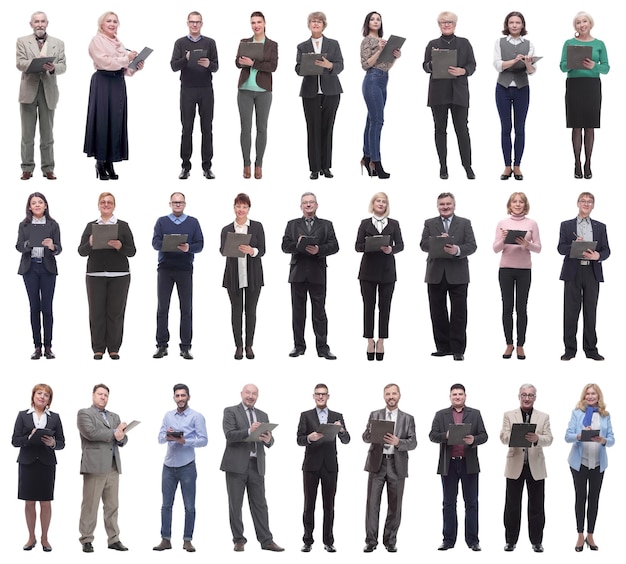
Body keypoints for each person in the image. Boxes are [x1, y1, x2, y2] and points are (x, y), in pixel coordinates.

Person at [220, 384, 284, 552]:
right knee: (236, 504)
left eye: (254, 394)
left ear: (257, 396)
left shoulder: (263, 415)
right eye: (248, 393)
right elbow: (229, 435)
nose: (250, 396)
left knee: (260, 504)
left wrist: (268, 439)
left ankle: (266, 540)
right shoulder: (230, 411)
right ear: (241, 394)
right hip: (236, 465)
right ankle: (239, 540)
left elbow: (270, 442)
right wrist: (249, 430)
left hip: (257, 465)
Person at [84, 11, 144, 181]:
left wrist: (136, 64)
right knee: (102, 121)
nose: (112, 24)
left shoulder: (119, 43)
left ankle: (111, 161)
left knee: (116, 122)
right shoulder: (97, 41)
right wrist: (127, 58)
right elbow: (105, 62)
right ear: (101, 24)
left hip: (118, 83)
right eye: (108, 21)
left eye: (115, 21)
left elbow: (126, 70)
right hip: (103, 82)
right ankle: (100, 162)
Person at [78, 192, 136, 360]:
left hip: (120, 274)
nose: (106, 204)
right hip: (95, 274)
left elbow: (132, 251)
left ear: (114, 205)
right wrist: (89, 243)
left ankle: (114, 348)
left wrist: (120, 246)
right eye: (103, 202)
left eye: (109, 202)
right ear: (98, 205)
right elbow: (81, 251)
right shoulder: (91, 226)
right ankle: (98, 348)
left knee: (115, 313)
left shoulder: (123, 226)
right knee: (96, 312)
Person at [429, 383, 488, 551]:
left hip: (468, 463)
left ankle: (473, 540)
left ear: (465, 396)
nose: (457, 397)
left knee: (472, 503)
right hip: (449, 464)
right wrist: (445, 436)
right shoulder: (441, 415)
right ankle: (448, 540)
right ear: (450, 397)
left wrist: (474, 440)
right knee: (448, 503)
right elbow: (432, 436)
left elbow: (484, 435)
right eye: (454, 394)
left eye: (460, 394)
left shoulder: (475, 414)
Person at [282, 192, 339, 359]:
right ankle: (298, 346)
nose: (308, 205)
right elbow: (285, 246)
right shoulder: (292, 224)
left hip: (317, 272)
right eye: (305, 203)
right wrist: (298, 245)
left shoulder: (327, 225)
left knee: (319, 312)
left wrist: (319, 250)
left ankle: (322, 348)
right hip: (298, 273)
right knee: (298, 312)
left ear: (316, 205)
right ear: (301, 206)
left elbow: (335, 246)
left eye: (311, 202)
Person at [420, 192, 477, 361]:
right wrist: (436, 241)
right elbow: (422, 244)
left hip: (458, 273)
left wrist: (457, 250)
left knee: (459, 313)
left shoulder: (464, 223)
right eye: (442, 204)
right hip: (435, 273)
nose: (445, 207)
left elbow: (472, 245)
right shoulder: (430, 223)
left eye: (448, 204)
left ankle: (458, 349)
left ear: (454, 205)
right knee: (437, 312)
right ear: (437, 206)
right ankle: (443, 347)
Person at [153, 384, 208, 553]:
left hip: (187, 466)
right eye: (177, 396)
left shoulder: (196, 416)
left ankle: (187, 540)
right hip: (168, 466)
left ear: (188, 397)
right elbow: (160, 439)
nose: (180, 398)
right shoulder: (168, 416)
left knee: (189, 505)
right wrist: (167, 434)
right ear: (174, 398)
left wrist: (186, 441)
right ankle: (165, 539)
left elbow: (204, 440)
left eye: (183, 395)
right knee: (166, 505)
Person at [362, 383, 416, 553]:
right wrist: (372, 433)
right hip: (377, 464)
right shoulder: (375, 414)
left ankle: (390, 541)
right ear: (384, 396)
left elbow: (413, 442)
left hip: (396, 464)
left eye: (394, 394)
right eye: (388, 394)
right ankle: (371, 541)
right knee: (372, 505)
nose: (391, 397)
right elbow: (365, 437)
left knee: (395, 505)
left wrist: (398, 442)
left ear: (399, 395)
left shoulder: (408, 418)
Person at [297, 383, 350, 553]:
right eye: (318, 394)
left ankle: (328, 541)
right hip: (311, 465)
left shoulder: (337, 415)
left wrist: (341, 430)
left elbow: (347, 439)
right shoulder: (305, 415)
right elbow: (299, 439)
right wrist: (309, 438)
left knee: (329, 505)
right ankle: (307, 540)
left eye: (323, 394)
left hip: (330, 466)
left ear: (328, 396)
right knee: (309, 505)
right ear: (313, 396)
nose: (320, 397)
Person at [423, 11, 476, 180]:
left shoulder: (464, 43)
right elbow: (425, 66)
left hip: (459, 92)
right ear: (438, 25)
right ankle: (443, 166)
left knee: (462, 130)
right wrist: (433, 62)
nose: (446, 25)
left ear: (455, 24)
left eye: (449, 22)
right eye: (442, 22)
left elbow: (472, 65)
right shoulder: (432, 44)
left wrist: (464, 71)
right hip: (438, 92)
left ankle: (467, 166)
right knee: (440, 130)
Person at [12, 384, 65, 552]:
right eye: (39, 393)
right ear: (33, 396)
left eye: (46, 395)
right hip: (27, 462)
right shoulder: (23, 416)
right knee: (29, 502)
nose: (42, 396)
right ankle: (31, 537)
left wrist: (53, 443)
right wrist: (29, 437)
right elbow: (14, 440)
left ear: (50, 399)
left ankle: (45, 538)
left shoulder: (55, 417)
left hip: (46, 463)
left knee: (46, 503)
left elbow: (62, 442)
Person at [500, 384, 553, 553]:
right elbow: (503, 436)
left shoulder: (543, 417)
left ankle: (537, 541)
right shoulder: (509, 415)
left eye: (530, 395)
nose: (527, 398)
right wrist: (515, 436)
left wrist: (537, 438)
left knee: (537, 506)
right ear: (519, 396)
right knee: (512, 506)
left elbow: (549, 439)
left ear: (535, 397)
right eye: (524, 395)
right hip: (515, 465)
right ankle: (510, 541)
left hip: (535, 466)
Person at [557, 192, 610, 361]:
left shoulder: (600, 227)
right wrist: (573, 246)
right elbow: (560, 248)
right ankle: (570, 350)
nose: (586, 204)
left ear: (593, 205)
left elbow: (607, 250)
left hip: (592, 272)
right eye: (583, 201)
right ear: (577, 203)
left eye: (590, 202)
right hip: (573, 271)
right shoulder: (566, 225)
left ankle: (591, 349)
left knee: (590, 311)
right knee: (570, 312)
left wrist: (598, 256)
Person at [77, 384, 129, 553]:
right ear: (93, 395)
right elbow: (90, 433)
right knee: (90, 505)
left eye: (106, 395)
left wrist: (121, 437)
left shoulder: (114, 416)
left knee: (112, 506)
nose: (103, 397)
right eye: (100, 394)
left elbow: (122, 438)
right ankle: (86, 539)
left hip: (113, 466)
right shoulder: (85, 413)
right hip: (94, 466)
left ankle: (113, 539)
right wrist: (115, 434)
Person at [152, 192, 204, 360]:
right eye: (175, 202)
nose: (177, 205)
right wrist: (168, 245)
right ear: (170, 204)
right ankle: (161, 345)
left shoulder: (193, 222)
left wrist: (188, 248)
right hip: (165, 268)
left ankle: (186, 347)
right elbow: (155, 242)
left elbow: (200, 244)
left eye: (180, 202)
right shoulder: (161, 221)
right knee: (162, 308)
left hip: (185, 269)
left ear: (185, 204)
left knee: (186, 309)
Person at [16, 11, 66, 181]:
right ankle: (27, 168)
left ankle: (48, 168)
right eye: (36, 21)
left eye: (42, 21)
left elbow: (63, 66)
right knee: (27, 135)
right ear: (31, 24)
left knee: (48, 134)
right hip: (28, 91)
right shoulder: (22, 41)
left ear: (47, 23)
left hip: (49, 92)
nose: (39, 24)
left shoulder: (58, 43)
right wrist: (36, 63)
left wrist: (52, 68)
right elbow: (19, 63)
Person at [560, 12, 609, 179]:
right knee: (576, 126)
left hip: (592, 86)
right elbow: (562, 66)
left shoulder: (599, 44)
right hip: (574, 85)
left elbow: (607, 68)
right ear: (576, 26)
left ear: (590, 23)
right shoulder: (569, 43)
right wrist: (572, 63)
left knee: (589, 126)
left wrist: (594, 65)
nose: (582, 25)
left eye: (585, 21)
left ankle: (588, 163)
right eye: (578, 22)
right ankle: (577, 163)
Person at [565, 383, 614, 552]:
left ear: (598, 396)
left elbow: (612, 439)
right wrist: (580, 435)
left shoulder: (605, 415)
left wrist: (603, 440)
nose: (590, 396)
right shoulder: (577, 413)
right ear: (584, 396)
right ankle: (580, 535)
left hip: (598, 464)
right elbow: (567, 437)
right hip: (580, 463)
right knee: (580, 498)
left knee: (594, 499)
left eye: (593, 394)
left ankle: (590, 535)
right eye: (588, 394)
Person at [355, 192, 404, 361]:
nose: (381, 204)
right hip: (368, 270)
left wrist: (391, 249)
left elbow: (401, 245)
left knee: (385, 307)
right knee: (368, 306)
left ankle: (381, 340)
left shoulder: (394, 224)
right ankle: (369, 340)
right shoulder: (364, 223)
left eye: (384, 201)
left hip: (387, 271)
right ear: (373, 203)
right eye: (378, 201)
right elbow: (357, 246)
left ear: (387, 205)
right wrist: (370, 244)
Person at [492, 192, 541, 360]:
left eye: (521, 202)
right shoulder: (502, 223)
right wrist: (505, 239)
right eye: (515, 201)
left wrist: (527, 244)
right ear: (510, 204)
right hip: (506, 269)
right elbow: (496, 249)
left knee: (522, 308)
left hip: (524, 270)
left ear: (525, 205)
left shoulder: (532, 223)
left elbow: (539, 248)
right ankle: (509, 344)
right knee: (507, 308)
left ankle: (520, 345)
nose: (518, 204)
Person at [296, 11, 344, 180]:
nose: (315, 24)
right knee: (313, 130)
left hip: (331, 91)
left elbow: (340, 65)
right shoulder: (302, 46)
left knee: (327, 129)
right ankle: (315, 168)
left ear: (324, 25)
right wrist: (306, 67)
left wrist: (329, 64)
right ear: (309, 25)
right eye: (313, 21)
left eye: (319, 21)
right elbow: (297, 68)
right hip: (310, 92)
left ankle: (326, 167)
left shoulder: (333, 44)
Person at [171, 11, 218, 180]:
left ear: (202, 23)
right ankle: (185, 166)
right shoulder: (180, 43)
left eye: (197, 22)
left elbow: (216, 66)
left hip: (206, 89)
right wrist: (186, 58)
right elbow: (174, 66)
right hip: (187, 90)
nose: (195, 25)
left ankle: (207, 167)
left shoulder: (210, 43)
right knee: (187, 129)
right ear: (187, 23)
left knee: (207, 129)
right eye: (192, 22)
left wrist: (208, 64)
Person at [16, 192, 62, 360]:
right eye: (33, 203)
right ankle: (37, 347)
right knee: (34, 307)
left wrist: (52, 246)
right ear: (29, 207)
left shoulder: (53, 224)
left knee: (47, 308)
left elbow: (59, 248)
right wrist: (28, 244)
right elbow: (19, 246)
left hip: (47, 268)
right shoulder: (24, 225)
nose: (37, 205)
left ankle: (48, 346)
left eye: (40, 202)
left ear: (45, 206)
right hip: (30, 268)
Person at [220, 193, 265, 360]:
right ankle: (238, 345)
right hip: (233, 275)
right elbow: (221, 250)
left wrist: (252, 251)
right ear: (234, 207)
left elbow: (263, 249)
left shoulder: (257, 227)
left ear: (249, 209)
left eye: (244, 207)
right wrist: (231, 248)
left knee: (251, 311)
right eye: (238, 206)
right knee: (236, 311)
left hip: (253, 276)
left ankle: (249, 345)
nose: (241, 210)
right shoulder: (226, 229)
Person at [236, 11, 278, 180]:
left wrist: (253, 63)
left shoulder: (272, 45)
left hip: (264, 91)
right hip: (245, 90)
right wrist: (241, 61)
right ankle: (246, 163)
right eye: (253, 22)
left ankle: (258, 164)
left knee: (262, 128)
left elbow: (273, 66)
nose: (256, 25)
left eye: (259, 22)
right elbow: (236, 62)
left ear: (265, 23)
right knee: (245, 128)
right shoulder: (244, 42)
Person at [494, 12, 536, 181]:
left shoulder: (529, 44)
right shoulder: (499, 42)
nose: (514, 25)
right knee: (505, 128)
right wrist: (513, 61)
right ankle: (506, 166)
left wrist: (527, 63)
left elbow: (531, 72)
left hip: (522, 88)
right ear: (507, 25)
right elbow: (498, 65)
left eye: (517, 22)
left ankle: (517, 166)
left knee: (520, 128)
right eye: (511, 22)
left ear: (522, 25)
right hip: (503, 88)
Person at [360, 11, 401, 179]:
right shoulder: (367, 41)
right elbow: (365, 64)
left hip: (383, 79)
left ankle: (367, 156)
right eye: (372, 19)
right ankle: (376, 162)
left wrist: (395, 56)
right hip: (371, 79)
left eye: (378, 19)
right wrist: (379, 50)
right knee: (377, 121)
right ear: (368, 23)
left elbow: (386, 66)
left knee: (371, 119)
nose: (376, 22)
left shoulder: (383, 41)